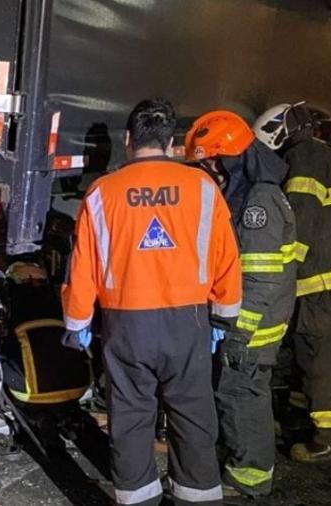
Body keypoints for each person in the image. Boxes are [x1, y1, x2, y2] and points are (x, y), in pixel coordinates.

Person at [62, 99, 242, 506]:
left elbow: (82, 270)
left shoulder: (100, 193)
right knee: (193, 416)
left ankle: (138, 499)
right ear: (171, 142)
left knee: (129, 418)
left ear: (128, 141)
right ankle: (196, 498)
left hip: (126, 327)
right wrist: (223, 318)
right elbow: (227, 259)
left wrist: (76, 323)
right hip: (189, 324)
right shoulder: (203, 188)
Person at [185, 111, 298, 497]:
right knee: (240, 391)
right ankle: (243, 459)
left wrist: (238, 331)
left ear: (231, 159)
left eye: (213, 163)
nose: (210, 172)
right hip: (256, 319)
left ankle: (248, 477)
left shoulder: (258, 203)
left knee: (242, 394)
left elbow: (260, 277)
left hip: (254, 324)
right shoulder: (254, 192)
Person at [253, 103, 331, 462]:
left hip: (316, 276)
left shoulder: (301, 159)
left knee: (323, 354)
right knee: (315, 347)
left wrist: (284, 266)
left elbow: (297, 219)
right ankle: (313, 413)